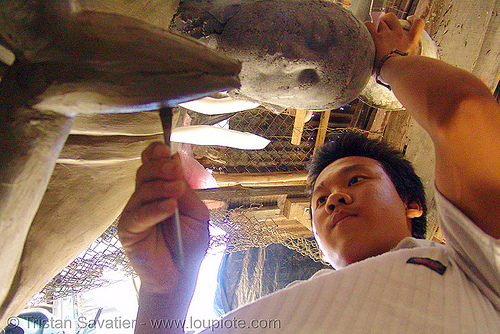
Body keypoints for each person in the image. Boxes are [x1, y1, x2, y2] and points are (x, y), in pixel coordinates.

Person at [118, 13, 500, 333]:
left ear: (412, 205)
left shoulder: (474, 268)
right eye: (319, 199)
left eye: (356, 180)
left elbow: (464, 113)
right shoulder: (283, 307)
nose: (333, 198)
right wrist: (168, 290)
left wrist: (389, 62)